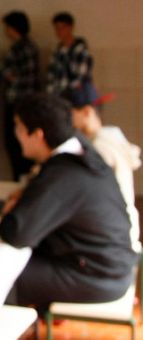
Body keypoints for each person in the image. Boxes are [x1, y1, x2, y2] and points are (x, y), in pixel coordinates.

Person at [0, 93, 136, 314]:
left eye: (19, 128)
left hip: (97, 277)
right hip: (109, 264)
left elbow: (15, 232)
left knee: (0, 274)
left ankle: (21, 331)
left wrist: (13, 210)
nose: (16, 135)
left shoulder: (65, 172)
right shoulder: (80, 150)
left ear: (38, 135)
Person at [62, 82, 141, 252]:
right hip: (121, 230)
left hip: (114, 238)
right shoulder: (108, 139)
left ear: (87, 112)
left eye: (69, 113)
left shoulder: (100, 148)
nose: (65, 119)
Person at [0, 10, 40, 180]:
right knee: (27, 146)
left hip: (16, 102)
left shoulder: (18, 47)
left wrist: (10, 76)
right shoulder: (33, 46)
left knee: (15, 145)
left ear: (13, 28)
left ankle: (19, 181)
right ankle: (27, 181)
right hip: (31, 102)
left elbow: (1, 67)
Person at [45, 12, 93, 95]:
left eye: (63, 27)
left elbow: (80, 76)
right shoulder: (56, 51)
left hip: (75, 96)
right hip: (58, 96)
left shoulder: (80, 49)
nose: (60, 31)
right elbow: (51, 75)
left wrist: (67, 93)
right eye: (57, 28)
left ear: (71, 28)